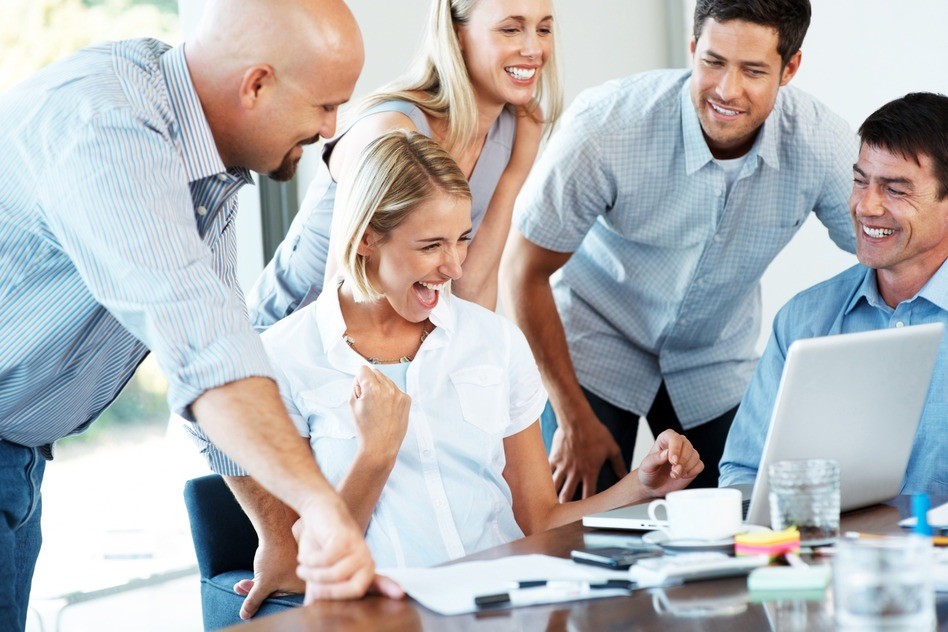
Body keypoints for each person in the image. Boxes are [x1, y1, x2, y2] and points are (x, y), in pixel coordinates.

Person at [0, 1, 396, 628]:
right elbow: (208, 355)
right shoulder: (110, 132)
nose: (331, 130)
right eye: (325, 105)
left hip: (16, 454)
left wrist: (282, 535)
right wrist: (320, 508)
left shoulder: (200, 153)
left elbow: (221, 343)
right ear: (256, 85)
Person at [248, 129, 703, 584]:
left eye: (461, 238)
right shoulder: (284, 358)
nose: (455, 267)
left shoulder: (494, 341)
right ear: (366, 238)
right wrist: (376, 454)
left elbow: (539, 521)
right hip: (387, 613)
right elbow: (306, 562)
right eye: (431, 245)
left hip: (508, 602)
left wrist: (640, 488)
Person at [499, 0, 857, 500]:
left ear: (789, 67)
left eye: (753, 70)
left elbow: (887, 247)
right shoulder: (607, 125)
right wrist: (572, 417)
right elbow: (522, 271)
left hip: (712, 358)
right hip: (593, 345)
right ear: (692, 48)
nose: (727, 91)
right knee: (573, 525)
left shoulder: (820, 143)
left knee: (744, 510)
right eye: (713, 62)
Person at [247, 0, 561, 324]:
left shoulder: (523, 123)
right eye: (510, 29)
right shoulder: (392, 129)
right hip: (292, 332)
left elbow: (472, 289)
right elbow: (345, 304)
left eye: (544, 29)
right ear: (457, 34)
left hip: (391, 339)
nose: (533, 48)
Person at [720, 92, 948, 495]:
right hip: (822, 553)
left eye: (895, 189)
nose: (866, 206)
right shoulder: (802, 321)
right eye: (861, 181)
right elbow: (745, 472)